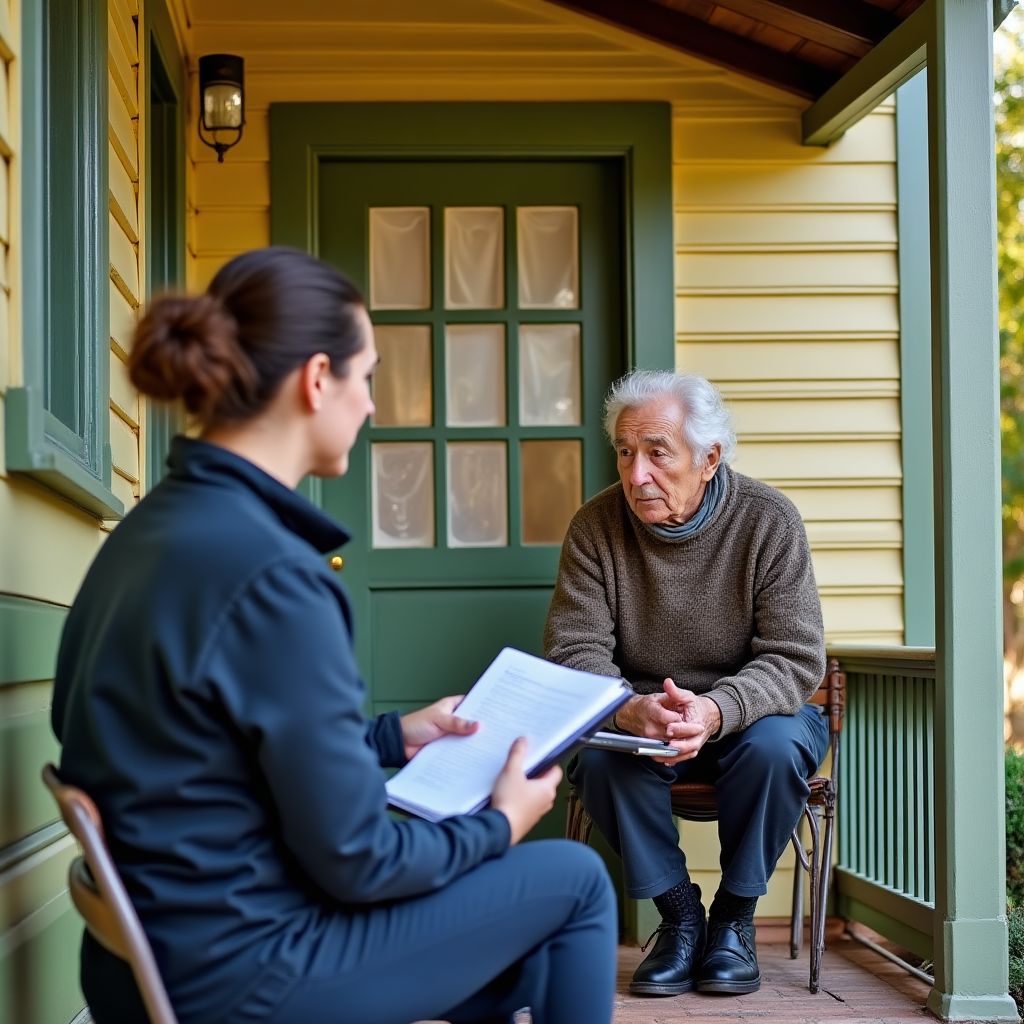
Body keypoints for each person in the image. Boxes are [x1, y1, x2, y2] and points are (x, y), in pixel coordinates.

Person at [51, 247, 617, 1024]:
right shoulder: (273, 574)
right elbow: (360, 862)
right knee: (575, 883)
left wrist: (389, 736)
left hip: (145, 958)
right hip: (245, 973)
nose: (372, 405)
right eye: (369, 377)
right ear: (318, 379)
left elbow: (195, 742)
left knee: (520, 949)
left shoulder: (148, 531)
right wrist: (499, 824)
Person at [544, 369, 829, 998]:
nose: (637, 473)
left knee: (776, 748)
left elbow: (795, 657)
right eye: (625, 452)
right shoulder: (595, 527)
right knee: (600, 758)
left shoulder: (769, 521)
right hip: (645, 718)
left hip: (754, 717)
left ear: (709, 459)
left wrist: (716, 709)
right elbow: (572, 650)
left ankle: (733, 921)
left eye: (657, 452)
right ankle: (679, 917)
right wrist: (629, 709)